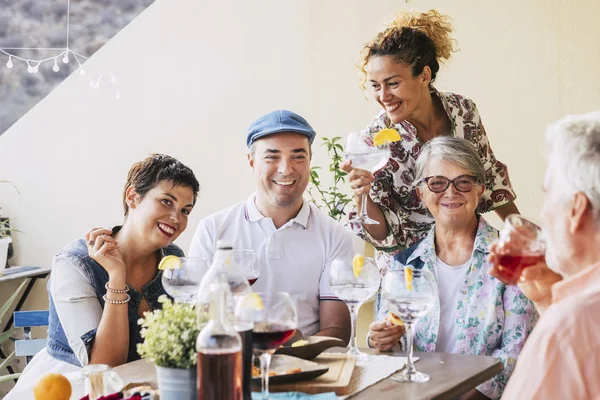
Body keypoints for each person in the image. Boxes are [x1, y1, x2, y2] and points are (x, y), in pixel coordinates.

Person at [7, 154, 200, 398]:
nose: (177, 218)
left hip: (143, 388)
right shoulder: (74, 263)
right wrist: (116, 275)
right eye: (166, 202)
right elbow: (104, 366)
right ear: (133, 197)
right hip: (72, 388)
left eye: (185, 210)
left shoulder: (172, 257)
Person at [342, 10, 518, 272]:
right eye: (375, 86)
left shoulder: (463, 110)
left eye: (392, 83)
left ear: (424, 76)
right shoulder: (376, 139)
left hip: (465, 254)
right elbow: (381, 234)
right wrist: (362, 195)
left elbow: (489, 177)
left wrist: (519, 230)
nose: (383, 95)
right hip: (410, 269)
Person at [369, 137, 536, 400]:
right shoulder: (403, 263)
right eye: (437, 183)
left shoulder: (513, 257)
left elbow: (518, 349)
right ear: (421, 193)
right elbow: (388, 341)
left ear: (480, 189)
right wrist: (380, 340)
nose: (451, 192)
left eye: (464, 182)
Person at [189, 110, 352, 342]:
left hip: (308, 367)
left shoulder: (335, 236)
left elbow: (338, 332)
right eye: (272, 157)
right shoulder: (212, 230)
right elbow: (194, 320)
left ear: (310, 159)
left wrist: (290, 346)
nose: (286, 169)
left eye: (298, 157)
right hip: (231, 365)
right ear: (251, 161)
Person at [489, 113, 600, 399]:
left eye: (548, 195)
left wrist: (558, 317)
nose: (543, 212)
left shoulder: (568, 327)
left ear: (576, 209)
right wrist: (547, 300)